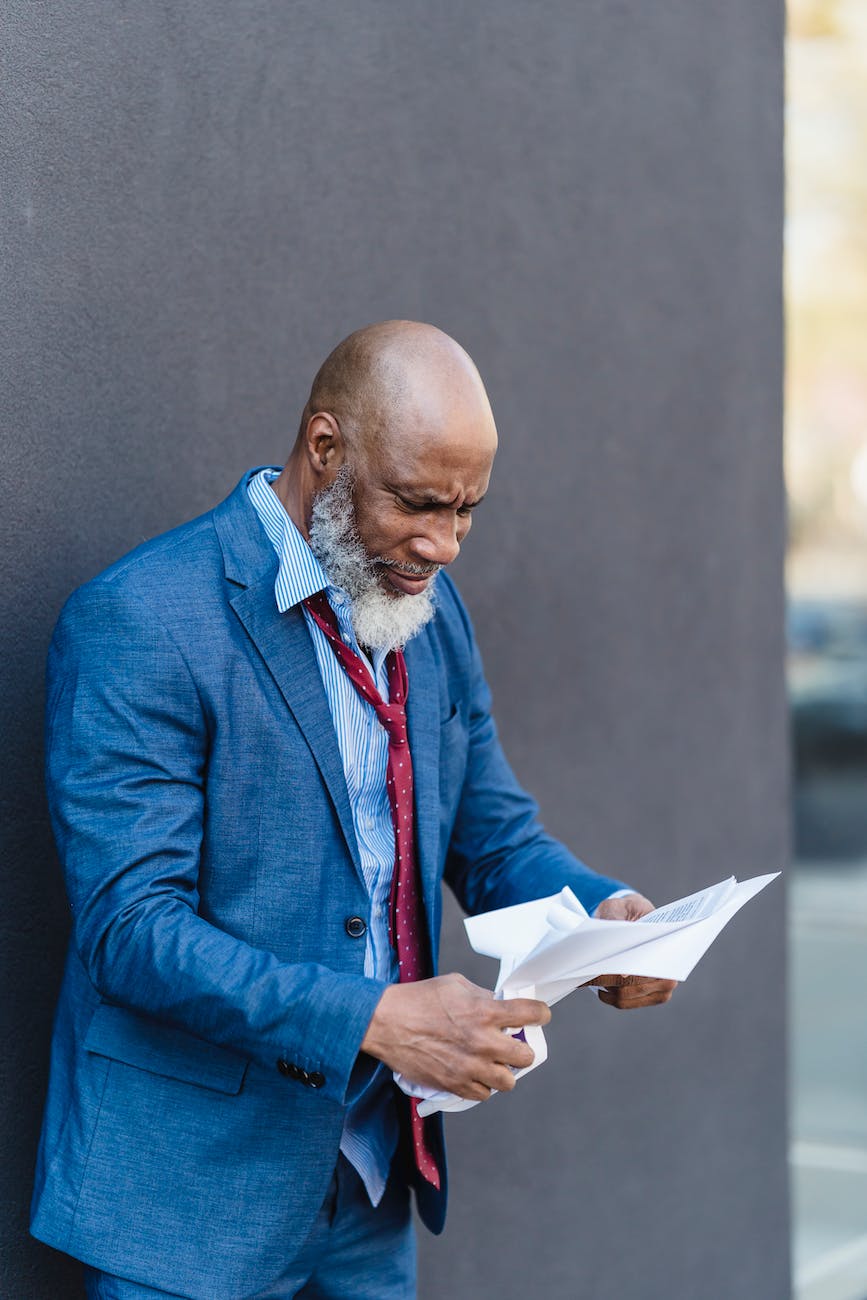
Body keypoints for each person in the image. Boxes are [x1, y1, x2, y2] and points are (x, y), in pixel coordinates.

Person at [31, 321, 676, 1300]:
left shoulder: (431, 612)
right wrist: (375, 1018)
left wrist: (603, 913)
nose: (443, 545)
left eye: (468, 512)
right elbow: (131, 931)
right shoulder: (144, 618)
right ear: (324, 450)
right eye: (418, 504)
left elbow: (492, 834)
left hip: (371, 1188)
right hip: (188, 1205)